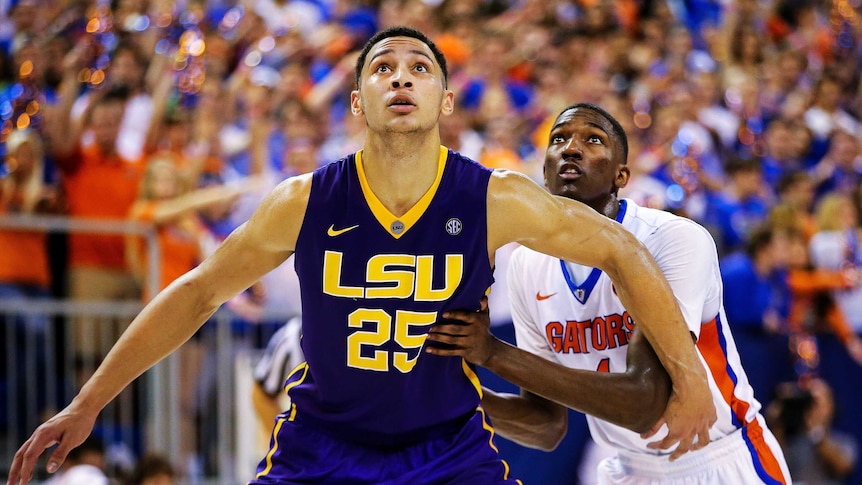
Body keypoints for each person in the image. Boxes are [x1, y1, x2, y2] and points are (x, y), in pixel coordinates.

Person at [7, 27, 715, 485]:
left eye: (418, 68)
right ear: (357, 101)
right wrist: (87, 402)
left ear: (442, 99)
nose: (400, 77)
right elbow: (196, 292)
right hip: (322, 447)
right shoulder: (304, 200)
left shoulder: (495, 199)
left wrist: (690, 381)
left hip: (448, 452)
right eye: (383, 67)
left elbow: (623, 248)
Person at [426, 103, 791, 483]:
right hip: (627, 467)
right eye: (559, 139)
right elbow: (546, 425)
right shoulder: (526, 265)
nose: (570, 147)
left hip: (717, 460)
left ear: (621, 176)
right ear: (545, 170)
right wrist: (458, 400)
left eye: (593, 140)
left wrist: (490, 351)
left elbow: (645, 401)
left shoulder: (672, 239)